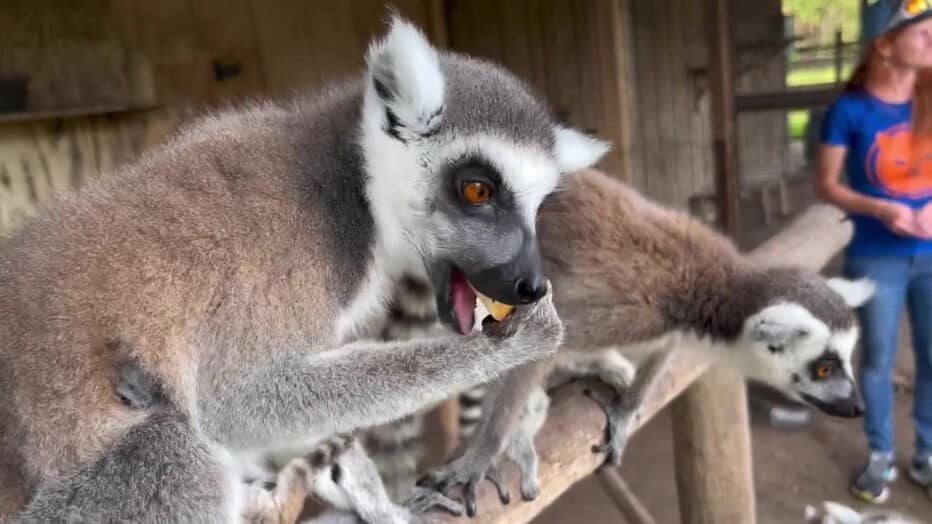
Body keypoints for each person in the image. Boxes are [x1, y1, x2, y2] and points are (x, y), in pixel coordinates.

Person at [816, 0, 932, 504]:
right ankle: (881, 453)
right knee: (877, 359)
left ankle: (927, 451)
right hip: (876, 256)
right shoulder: (850, 110)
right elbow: (827, 185)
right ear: (885, 45)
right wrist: (879, 207)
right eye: (922, 32)